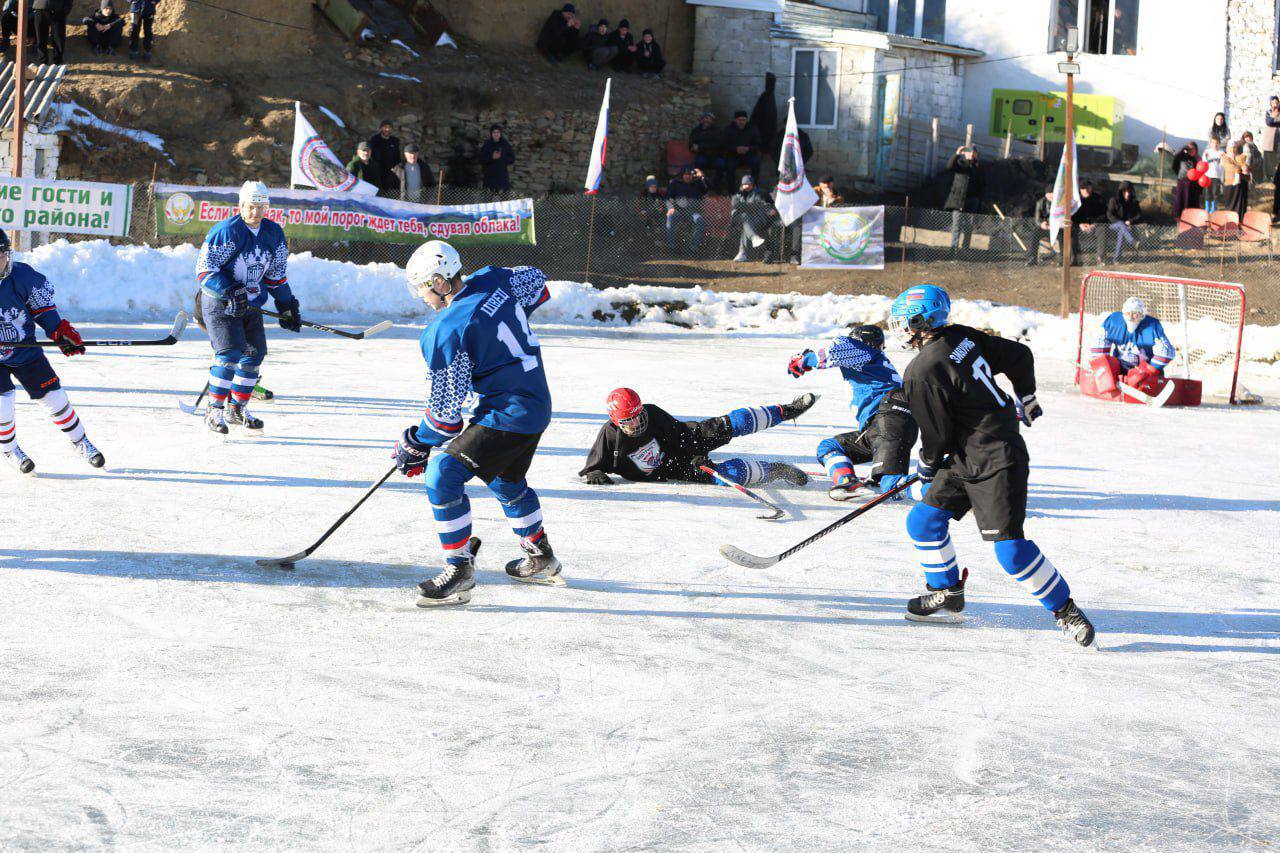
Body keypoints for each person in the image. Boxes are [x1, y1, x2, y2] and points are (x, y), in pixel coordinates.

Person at [887, 283, 1095, 646]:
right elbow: (1019, 356)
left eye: (904, 321)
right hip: (968, 455)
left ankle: (1065, 611)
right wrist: (1026, 395)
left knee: (1010, 551)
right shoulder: (961, 338)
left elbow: (935, 436)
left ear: (921, 321)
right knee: (923, 521)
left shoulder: (921, 371)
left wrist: (926, 467)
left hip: (998, 459)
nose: (900, 328)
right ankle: (947, 592)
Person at [392, 241, 562, 605]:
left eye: (422, 285)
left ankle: (459, 569)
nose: (421, 295)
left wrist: (415, 442)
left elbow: (445, 419)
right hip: (537, 403)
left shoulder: (447, 328)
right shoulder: (494, 279)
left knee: (441, 473)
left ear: (439, 281)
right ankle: (540, 556)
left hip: (510, 411)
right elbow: (539, 283)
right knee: (506, 479)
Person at [195, 181, 301, 435]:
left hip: (250, 303)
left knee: (254, 355)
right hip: (220, 303)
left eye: (261, 206)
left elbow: (276, 275)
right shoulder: (227, 232)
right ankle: (214, 410)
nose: (256, 212)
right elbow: (205, 270)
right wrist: (229, 289)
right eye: (251, 206)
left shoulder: (273, 233)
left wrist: (286, 304)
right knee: (229, 354)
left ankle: (236, 409)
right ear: (240, 205)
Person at [0, 231, 104, 474]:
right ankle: (9, 448)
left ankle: (80, 441)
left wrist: (59, 331)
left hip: (24, 351)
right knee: (3, 401)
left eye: (1, 255)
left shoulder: (22, 276)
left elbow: (43, 312)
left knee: (55, 397)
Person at [578, 388, 815, 487]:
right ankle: (778, 471)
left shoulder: (652, 413)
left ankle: (786, 410)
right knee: (725, 476)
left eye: (638, 415)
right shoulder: (609, 437)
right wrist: (596, 474)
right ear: (616, 421)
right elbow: (592, 468)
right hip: (671, 469)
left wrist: (694, 454)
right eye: (628, 420)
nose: (637, 422)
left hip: (685, 441)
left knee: (733, 422)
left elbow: (680, 435)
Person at [787, 324, 918, 502]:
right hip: (881, 426)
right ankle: (849, 482)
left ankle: (945, 490)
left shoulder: (862, 350)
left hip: (888, 419)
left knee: (893, 487)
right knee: (829, 447)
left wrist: (804, 359)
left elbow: (835, 351)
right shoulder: (874, 362)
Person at [1087, 296, 1176, 402]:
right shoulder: (1114, 322)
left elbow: (1166, 352)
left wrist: (1147, 371)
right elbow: (1098, 345)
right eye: (1128, 313)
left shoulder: (1151, 326)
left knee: (1151, 377)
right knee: (1106, 368)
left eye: (1135, 314)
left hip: (1144, 372)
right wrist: (1105, 370)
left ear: (1142, 315)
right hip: (1120, 370)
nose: (1130, 317)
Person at [944, 145, 983, 259]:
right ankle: (953, 250)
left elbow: (981, 183)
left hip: (972, 200)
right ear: (965, 153)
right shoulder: (960, 163)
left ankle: (965, 249)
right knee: (957, 225)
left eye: (973, 152)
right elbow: (949, 166)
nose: (971, 154)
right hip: (959, 200)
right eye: (969, 152)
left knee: (969, 226)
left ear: (976, 154)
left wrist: (979, 198)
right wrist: (956, 154)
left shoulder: (977, 166)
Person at [731, 174, 776, 262]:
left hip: (758, 220)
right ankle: (754, 238)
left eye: (749, 184)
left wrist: (744, 207)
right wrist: (748, 207)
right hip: (742, 221)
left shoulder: (758, 193)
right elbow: (735, 205)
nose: (746, 186)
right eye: (744, 184)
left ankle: (742, 253)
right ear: (742, 184)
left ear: (752, 185)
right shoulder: (738, 195)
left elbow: (758, 205)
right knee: (745, 220)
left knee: (745, 222)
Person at [665, 166, 708, 251]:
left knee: (700, 221)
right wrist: (670, 208)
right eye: (685, 174)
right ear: (682, 175)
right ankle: (671, 246)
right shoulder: (675, 183)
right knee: (670, 217)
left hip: (693, 213)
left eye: (690, 174)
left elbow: (706, 189)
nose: (688, 176)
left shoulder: (698, 183)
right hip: (678, 211)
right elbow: (667, 197)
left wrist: (702, 176)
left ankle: (694, 247)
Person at [720, 110, 762, 191]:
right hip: (734, 155)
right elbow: (724, 145)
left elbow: (758, 144)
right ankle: (732, 190)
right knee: (730, 166)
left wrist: (748, 148)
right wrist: (735, 149)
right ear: (735, 120)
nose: (741, 122)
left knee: (756, 163)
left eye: (743, 120)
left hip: (749, 155)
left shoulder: (753, 129)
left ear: (746, 120)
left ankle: (753, 186)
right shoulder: (729, 130)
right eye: (739, 120)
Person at [1105, 181, 1142, 263]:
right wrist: (1120, 222)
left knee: (1122, 231)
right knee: (1122, 225)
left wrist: (1130, 221)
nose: (1127, 193)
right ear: (1121, 192)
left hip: (1125, 227)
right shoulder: (1114, 200)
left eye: (1129, 191)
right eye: (1125, 191)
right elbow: (1109, 215)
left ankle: (1116, 259)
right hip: (1112, 226)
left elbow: (1139, 216)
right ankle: (1133, 242)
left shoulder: (1134, 202)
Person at [367, 120, 402, 197]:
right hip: (378, 171)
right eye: (385, 127)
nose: (387, 129)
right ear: (381, 128)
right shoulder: (374, 140)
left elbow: (397, 156)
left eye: (389, 127)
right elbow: (371, 155)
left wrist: (398, 166)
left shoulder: (395, 141)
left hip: (392, 172)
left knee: (392, 193)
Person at [478, 124, 516, 194]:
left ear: (500, 133)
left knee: (504, 200)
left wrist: (501, 158)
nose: (496, 134)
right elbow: (481, 159)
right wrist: (492, 157)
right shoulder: (487, 145)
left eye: (498, 132)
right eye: (494, 132)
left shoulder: (505, 145)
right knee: (488, 200)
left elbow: (512, 159)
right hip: (489, 177)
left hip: (502, 176)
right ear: (491, 134)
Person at [1075, 181, 1106, 264]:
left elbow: (1104, 214)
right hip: (1079, 226)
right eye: (1083, 188)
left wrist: (1094, 224)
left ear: (1091, 188)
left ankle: (1100, 257)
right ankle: (1073, 258)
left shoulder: (1099, 198)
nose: (1086, 190)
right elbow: (1072, 216)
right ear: (1080, 190)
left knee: (1102, 230)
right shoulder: (1075, 199)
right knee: (1070, 230)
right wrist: (1080, 224)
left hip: (1094, 225)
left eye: (1088, 188)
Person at [688, 112, 722, 185]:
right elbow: (691, 142)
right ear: (702, 119)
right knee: (698, 164)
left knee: (721, 164)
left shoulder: (717, 131)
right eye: (706, 118)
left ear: (712, 121)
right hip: (702, 155)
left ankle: (716, 186)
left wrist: (700, 147)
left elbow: (717, 144)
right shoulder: (696, 130)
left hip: (714, 155)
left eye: (710, 119)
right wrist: (692, 146)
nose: (707, 120)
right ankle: (699, 184)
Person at [32, 0, 70, 65]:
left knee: (58, 38)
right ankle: (43, 62)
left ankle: (58, 62)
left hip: (58, 10)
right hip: (40, 8)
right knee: (40, 38)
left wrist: (65, 10)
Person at [1170, 141, 1201, 219]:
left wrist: (1200, 188)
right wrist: (1184, 148)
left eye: (1193, 149)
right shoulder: (1182, 157)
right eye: (1190, 149)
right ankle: (1179, 219)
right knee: (1181, 201)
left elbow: (1200, 172)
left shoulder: (1197, 159)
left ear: (1196, 150)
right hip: (1183, 182)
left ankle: (1192, 219)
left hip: (1194, 185)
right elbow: (1175, 160)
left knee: (1192, 203)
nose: (1192, 151)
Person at [1222, 141, 1249, 220]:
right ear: (1227, 149)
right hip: (1230, 186)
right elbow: (1229, 167)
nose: (1233, 150)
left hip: (1242, 185)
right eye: (1231, 149)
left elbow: (1245, 167)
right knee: (1231, 206)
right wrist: (1239, 168)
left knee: (1241, 206)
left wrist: (1244, 168)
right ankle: (1230, 223)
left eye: (1234, 148)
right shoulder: (1225, 157)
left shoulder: (1239, 157)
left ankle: (1240, 222)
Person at [1025, 189, 1052, 266]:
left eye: (1052, 193)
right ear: (1046, 194)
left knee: (1064, 235)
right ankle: (1033, 259)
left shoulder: (1060, 202)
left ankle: (1063, 259)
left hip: (1056, 227)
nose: (1051, 195)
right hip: (1044, 227)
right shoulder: (1040, 203)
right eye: (1049, 193)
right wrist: (1041, 224)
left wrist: (1053, 225)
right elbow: (1037, 219)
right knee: (1034, 234)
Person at [1202, 137, 1224, 214]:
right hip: (1208, 176)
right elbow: (1203, 164)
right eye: (1213, 142)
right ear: (1210, 143)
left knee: (1215, 193)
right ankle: (1207, 207)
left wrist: (1222, 177)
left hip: (1216, 176)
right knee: (1207, 192)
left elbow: (1222, 166)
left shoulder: (1221, 153)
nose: (1215, 144)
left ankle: (1214, 208)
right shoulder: (1207, 152)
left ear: (1219, 144)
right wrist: (1203, 175)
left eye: (1217, 143)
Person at [1264, 96, 1280, 180]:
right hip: (1271, 137)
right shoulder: (1268, 111)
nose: (1275, 104)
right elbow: (1269, 122)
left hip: (1279, 135)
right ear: (1270, 103)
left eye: (1277, 102)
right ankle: (1270, 176)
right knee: (1270, 156)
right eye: (1273, 102)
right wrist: (1273, 117)